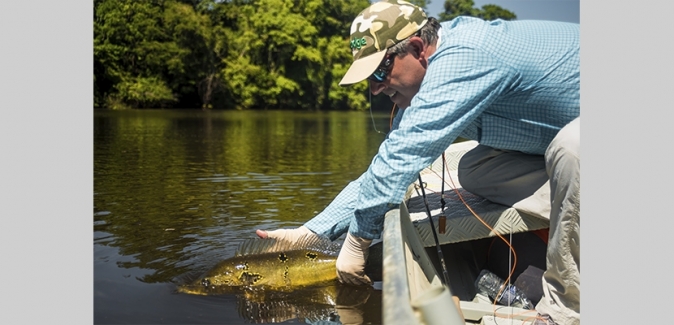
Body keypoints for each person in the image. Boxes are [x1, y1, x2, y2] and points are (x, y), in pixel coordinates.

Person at [256, 1, 579, 324]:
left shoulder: (463, 57)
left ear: (416, 47)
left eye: (380, 71)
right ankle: (575, 204)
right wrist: (312, 232)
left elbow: (399, 160)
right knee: (473, 169)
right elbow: (384, 169)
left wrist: (357, 241)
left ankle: (566, 311)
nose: (375, 87)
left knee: (572, 146)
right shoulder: (427, 82)